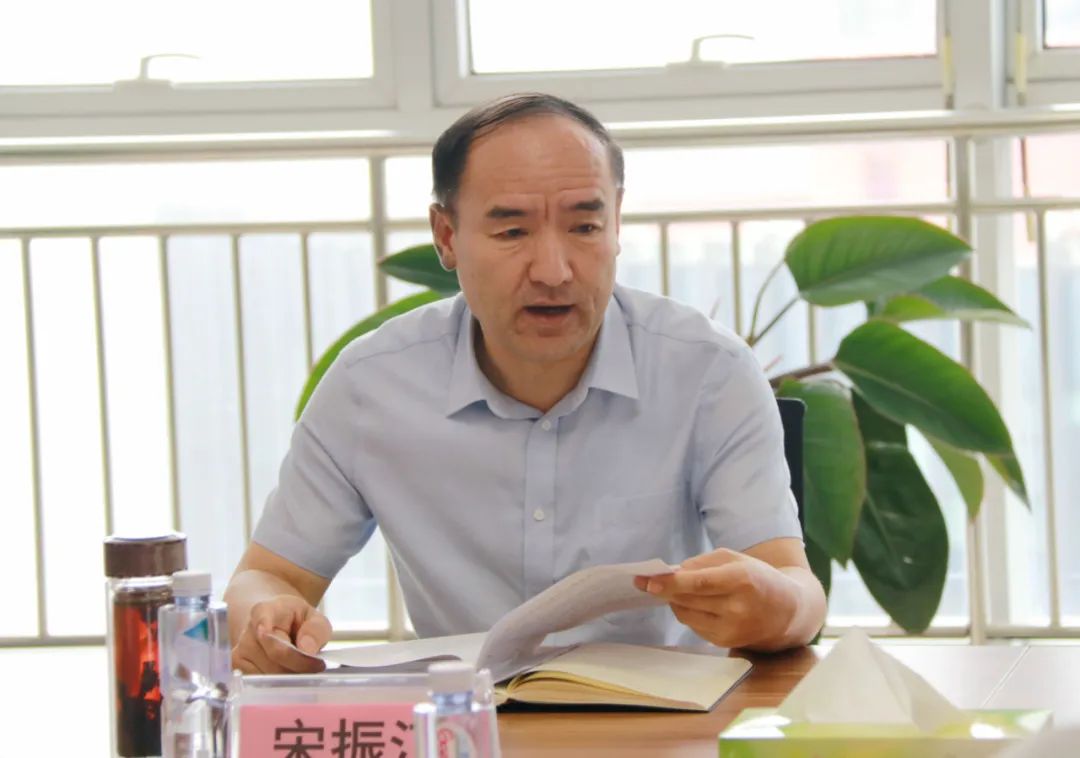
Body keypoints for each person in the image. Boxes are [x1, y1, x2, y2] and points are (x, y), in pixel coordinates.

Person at [225, 93, 826, 674]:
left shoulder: (709, 372)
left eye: (585, 227)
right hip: (468, 719)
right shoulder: (371, 386)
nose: (554, 271)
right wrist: (267, 618)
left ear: (616, 223)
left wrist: (776, 608)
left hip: (666, 721)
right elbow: (269, 576)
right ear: (446, 236)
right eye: (512, 233)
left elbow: (794, 586)